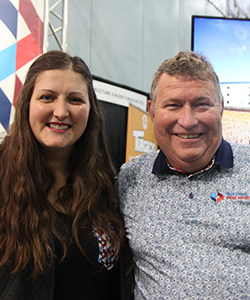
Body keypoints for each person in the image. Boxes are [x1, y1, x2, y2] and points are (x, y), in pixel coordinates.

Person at [116, 51, 250, 299]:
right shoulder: (130, 180)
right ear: (152, 112)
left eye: (202, 104)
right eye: (173, 105)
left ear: (221, 108)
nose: (187, 121)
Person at [0, 50, 127, 300]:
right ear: (27, 104)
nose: (60, 111)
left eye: (75, 100)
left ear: (91, 110)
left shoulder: (106, 188)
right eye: (47, 97)